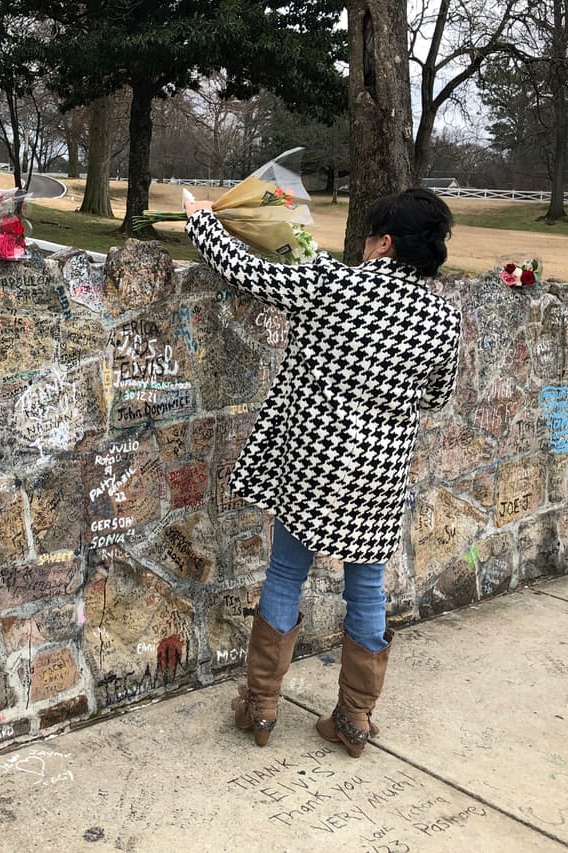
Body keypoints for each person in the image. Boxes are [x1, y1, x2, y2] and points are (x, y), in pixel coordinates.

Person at [184, 187, 461, 755]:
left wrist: (201, 222)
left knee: (286, 574)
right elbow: (435, 395)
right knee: (367, 591)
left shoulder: (335, 283)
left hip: (312, 461)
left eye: (367, 237)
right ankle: (355, 721)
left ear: (383, 242)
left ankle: (260, 707)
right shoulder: (442, 316)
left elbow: (245, 270)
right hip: (378, 472)